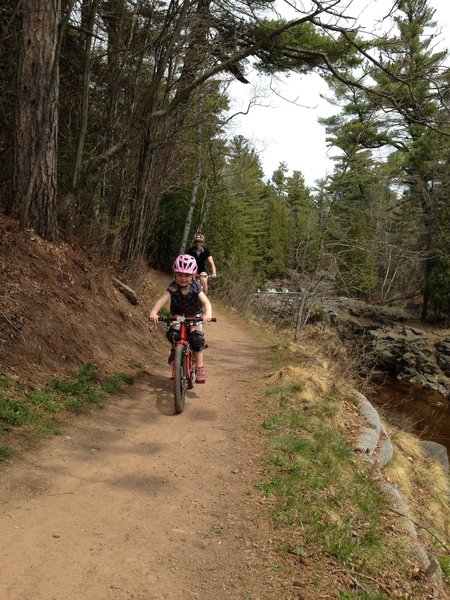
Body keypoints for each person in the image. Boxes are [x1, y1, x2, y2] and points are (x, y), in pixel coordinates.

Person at [149, 254, 212, 383]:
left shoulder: (195, 286)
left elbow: (206, 302)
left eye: (187, 275)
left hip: (195, 315)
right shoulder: (173, 286)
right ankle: (175, 353)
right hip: (178, 315)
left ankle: (199, 367)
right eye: (180, 275)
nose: (183, 279)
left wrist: (208, 314)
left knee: (197, 339)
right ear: (175, 275)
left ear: (193, 275)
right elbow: (162, 300)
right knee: (173, 334)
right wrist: (154, 312)